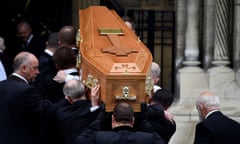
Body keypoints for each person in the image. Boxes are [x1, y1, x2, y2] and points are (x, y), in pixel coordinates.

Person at [0, 51, 54, 144]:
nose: (38, 72)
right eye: (35, 68)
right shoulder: (25, 90)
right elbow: (47, 110)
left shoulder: (1, 85)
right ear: (24, 68)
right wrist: (68, 97)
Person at [73, 102, 166, 144]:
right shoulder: (147, 139)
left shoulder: (99, 137)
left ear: (113, 119)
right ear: (133, 120)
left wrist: (100, 120)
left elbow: (78, 141)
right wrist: (143, 121)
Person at [55, 79, 101, 144]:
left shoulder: (61, 112)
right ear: (85, 90)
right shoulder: (92, 110)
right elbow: (99, 123)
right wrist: (95, 105)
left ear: (67, 98)